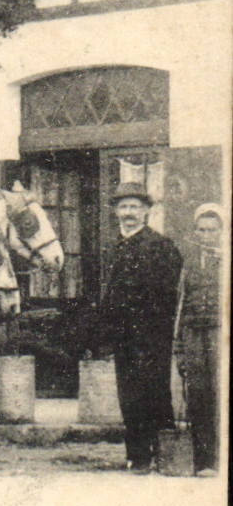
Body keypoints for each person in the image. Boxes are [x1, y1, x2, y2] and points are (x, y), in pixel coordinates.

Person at [95, 183, 182, 473]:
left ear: (146, 211)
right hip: (123, 338)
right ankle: (138, 456)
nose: (129, 213)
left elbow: (168, 295)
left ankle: (167, 454)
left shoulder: (161, 246)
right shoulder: (113, 247)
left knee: (155, 393)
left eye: (134, 207)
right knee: (129, 396)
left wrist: (154, 331)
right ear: (115, 211)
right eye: (123, 207)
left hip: (151, 336)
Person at [175, 202, 224, 476]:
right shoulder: (190, 263)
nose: (207, 235)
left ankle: (220, 459)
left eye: (212, 230)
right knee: (198, 396)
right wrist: (180, 349)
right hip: (194, 335)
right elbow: (180, 306)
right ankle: (203, 461)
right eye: (202, 230)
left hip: (220, 335)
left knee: (220, 395)